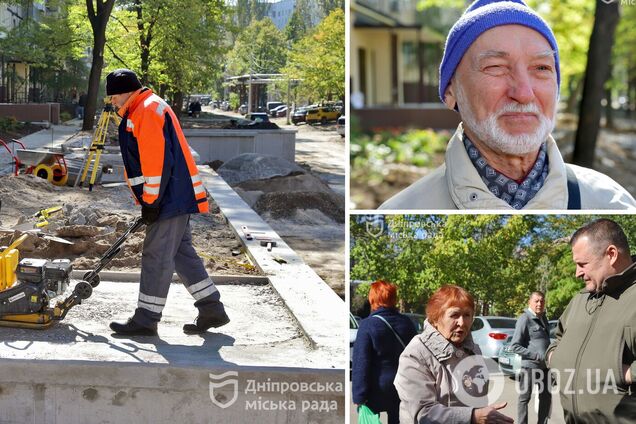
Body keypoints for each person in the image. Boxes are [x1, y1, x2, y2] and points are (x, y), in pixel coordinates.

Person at [380, 0, 636, 210]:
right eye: (495, 67)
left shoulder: (614, 204)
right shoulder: (400, 212)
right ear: (450, 91)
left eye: (542, 68)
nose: (524, 93)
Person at [104, 68, 229, 336]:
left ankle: (146, 319)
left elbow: (155, 161)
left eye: (114, 97)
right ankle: (211, 309)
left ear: (127, 92)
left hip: (167, 197)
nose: (112, 102)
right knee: (181, 253)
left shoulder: (146, 110)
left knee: (156, 254)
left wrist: (151, 201)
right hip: (173, 194)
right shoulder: (145, 107)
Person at [546, 219, 635, 423]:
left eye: (582, 264)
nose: (577, 273)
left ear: (611, 255)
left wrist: (626, 374)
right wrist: (554, 358)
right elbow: (557, 339)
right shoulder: (580, 299)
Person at [394, 285, 514, 424]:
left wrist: (486, 416)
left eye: (467, 315)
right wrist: (473, 416)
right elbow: (423, 413)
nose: (462, 323)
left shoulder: (473, 350)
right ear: (435, 319)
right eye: (454, 315)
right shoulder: (415, 355)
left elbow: (479, 400)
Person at [352, 280, 418, 424]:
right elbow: (416, 356)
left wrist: (359, 395)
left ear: (372, 299)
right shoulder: (407, 323)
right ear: (394, 299)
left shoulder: (368, 325)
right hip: (402, 386)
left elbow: (361, 363)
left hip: (376, 388)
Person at [510, 291, 552, 424]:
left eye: (542, 301)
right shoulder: (525, 319)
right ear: (530, 302)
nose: (539, 303)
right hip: (529, 367)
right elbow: (515, 346)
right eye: (536, 301)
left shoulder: (543, 318)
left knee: (545, 398)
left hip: (545, 368)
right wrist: (535, 356)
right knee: (524, 399)